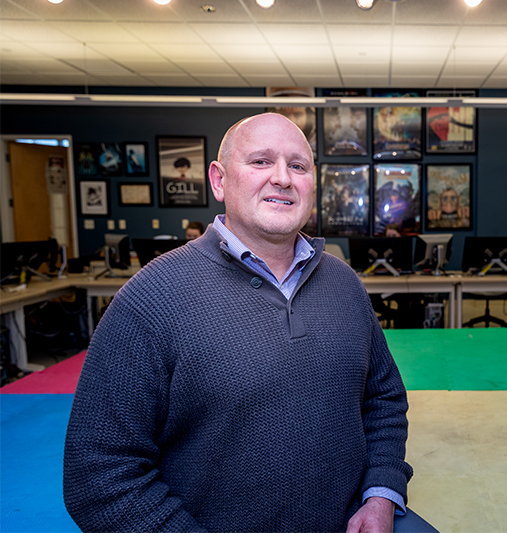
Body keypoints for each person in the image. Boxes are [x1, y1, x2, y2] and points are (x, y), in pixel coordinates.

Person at [63, 113, 413, 533]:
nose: (282, 178)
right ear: (219, 180)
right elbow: (97, 474)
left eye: (298, 166)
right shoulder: (151, 298)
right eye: (261, 161)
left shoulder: (345, 284)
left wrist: (381, 493)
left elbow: (384, 399)